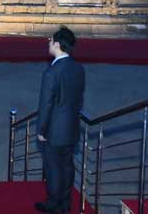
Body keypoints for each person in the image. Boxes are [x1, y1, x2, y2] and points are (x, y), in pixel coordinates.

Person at [34, 27, 85, 214]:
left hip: (55, 131)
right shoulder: (79, 69)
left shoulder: (51, 73)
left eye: (50, 40)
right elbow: (79, 101)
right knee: (67, 166)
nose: (48, 43)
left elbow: (46, 104)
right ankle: (65, 203)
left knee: (53, 168)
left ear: (57, 44)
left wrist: (41, 130)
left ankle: (53, 205)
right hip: (71, 128)